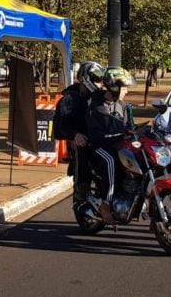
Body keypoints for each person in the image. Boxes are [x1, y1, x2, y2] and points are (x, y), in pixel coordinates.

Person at [86, 66, 135, 224]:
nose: (126, 91)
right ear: (114, 87)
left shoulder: (122, 106)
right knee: (111, 161)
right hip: (99, 147)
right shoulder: (97, 106)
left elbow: (127, 127)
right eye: (124, 88)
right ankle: (106, 204)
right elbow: (98, 134)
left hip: (117, 146)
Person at [53, 61, 104, 200]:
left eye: (100, 81)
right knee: (81, 147)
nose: (99, 85)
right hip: (79, 139)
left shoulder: (98, 98)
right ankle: (81, 187)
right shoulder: (70, 98)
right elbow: (60, 127)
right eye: (96, 81)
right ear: (85, 79)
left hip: (97, 137)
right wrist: (74, 134)